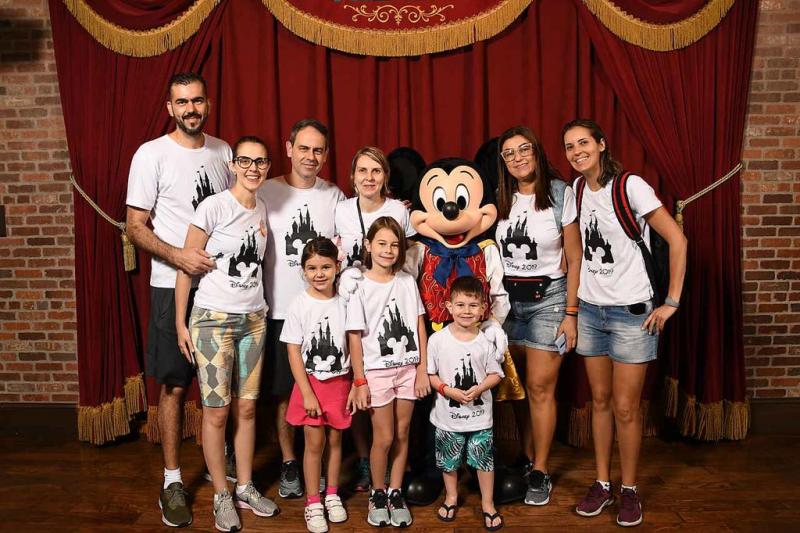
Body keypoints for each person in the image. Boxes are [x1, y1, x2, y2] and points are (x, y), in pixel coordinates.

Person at [562, 119, 687, 527]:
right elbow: (578, 256)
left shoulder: (630, 185)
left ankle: (629, 489)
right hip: (593, 312)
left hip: (632, 313)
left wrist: (671, 302)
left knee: (626, 407)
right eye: (569, 146)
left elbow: (677, 240)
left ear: (601, 144)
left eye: (584, 143)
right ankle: (603, 482)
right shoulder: (577, 190)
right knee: (598, 402)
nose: (577, 151)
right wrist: (574, 312)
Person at [125, 72, 232, 528]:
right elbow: (135, 225)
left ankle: (226, 477)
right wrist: (179, 257)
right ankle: (172, 481)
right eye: (182, 102)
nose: (191, 108)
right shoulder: (151, 155)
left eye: (198, 101)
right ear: (170, 107)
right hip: (172, 287)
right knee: (173, 384)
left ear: (207, 104)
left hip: (222, 288)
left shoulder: (225, 151)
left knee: (223, 384)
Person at [174, 136, 278, 532]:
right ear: (233, 164)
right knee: (217, 411)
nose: (253, 169)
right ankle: (221, 493)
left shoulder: (263, 208)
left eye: (261, 162)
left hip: (253, 319)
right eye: (246, 161)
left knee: (248, 407)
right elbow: (187, 264)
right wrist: (182, 322)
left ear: (268, 167)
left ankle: (245, 485)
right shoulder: (214, 206)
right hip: (213, 319)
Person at [258, 119, 346, 499]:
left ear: (325, 156)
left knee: (328, 385)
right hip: (280, 308)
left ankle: (327, 468)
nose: (311, 157)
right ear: (290, 148)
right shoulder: (266, 191)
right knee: (283, 392)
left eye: (319, 150)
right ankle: (291, 460)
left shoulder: (334, 196)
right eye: (304, 148)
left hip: (326, 311)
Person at [494, 126, 582, 506]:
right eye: (509, 153)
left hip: (549, 297)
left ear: (537, 151)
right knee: (517, 391)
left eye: (524, 149)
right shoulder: (500, 197)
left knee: (541, 387)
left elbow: (576, 256)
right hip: (507, 302)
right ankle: (527, 457)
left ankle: (541, 470)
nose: (517, 158)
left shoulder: (561, 193)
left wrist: (572, 312)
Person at [334, 146, 415, 491]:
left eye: (376, 171)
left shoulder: (398, 210)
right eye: (362, 171)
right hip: (351, 302)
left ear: (385, 177)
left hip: (387, 301)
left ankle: (391, 468)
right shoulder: (340, 210)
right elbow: (329, 252)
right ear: (352, 177)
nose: (369, 178)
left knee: (391, 402)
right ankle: (367, 459)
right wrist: (343, 277)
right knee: (359, 383)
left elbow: (409, 255)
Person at [346, 216, 430, 528]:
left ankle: (396, 491)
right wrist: (359, 380)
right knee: (384, 436)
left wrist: (422, 368)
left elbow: (419, 323)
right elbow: (354, 336)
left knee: (403, 432)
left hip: (408, 369)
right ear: (368, 245)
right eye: (381, 243)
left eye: (394, 245)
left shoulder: (407, 281)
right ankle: (377, 492)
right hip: (377, 371)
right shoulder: (359, 285)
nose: (388, 250)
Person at [281, 237, 353, 533]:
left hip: (340, 383)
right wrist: (307, 392)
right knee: (314, 443)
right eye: (312, 268)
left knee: (336, 442)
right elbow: (293, 350)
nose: (319, 273)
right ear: (303, 271)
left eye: (325, 266)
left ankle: (332, 494)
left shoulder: (347, 301)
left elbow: (354, 343)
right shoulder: (299, 304)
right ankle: (313, 502)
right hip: (311, 384)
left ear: (338, 266)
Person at [427, 276, 505, 531]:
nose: (466, 311)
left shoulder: (486, 341)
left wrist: (480, 387)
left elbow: (496, 374)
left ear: (483, 308)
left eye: (473, 305)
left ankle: (487, 503)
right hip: (448, 416)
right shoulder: (437, 340)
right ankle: (451, 497)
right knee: (448, 462)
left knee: (484, 461)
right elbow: (431, 375)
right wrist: (448, 390)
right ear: (449, 306)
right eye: (460, 305)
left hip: (480, 416)